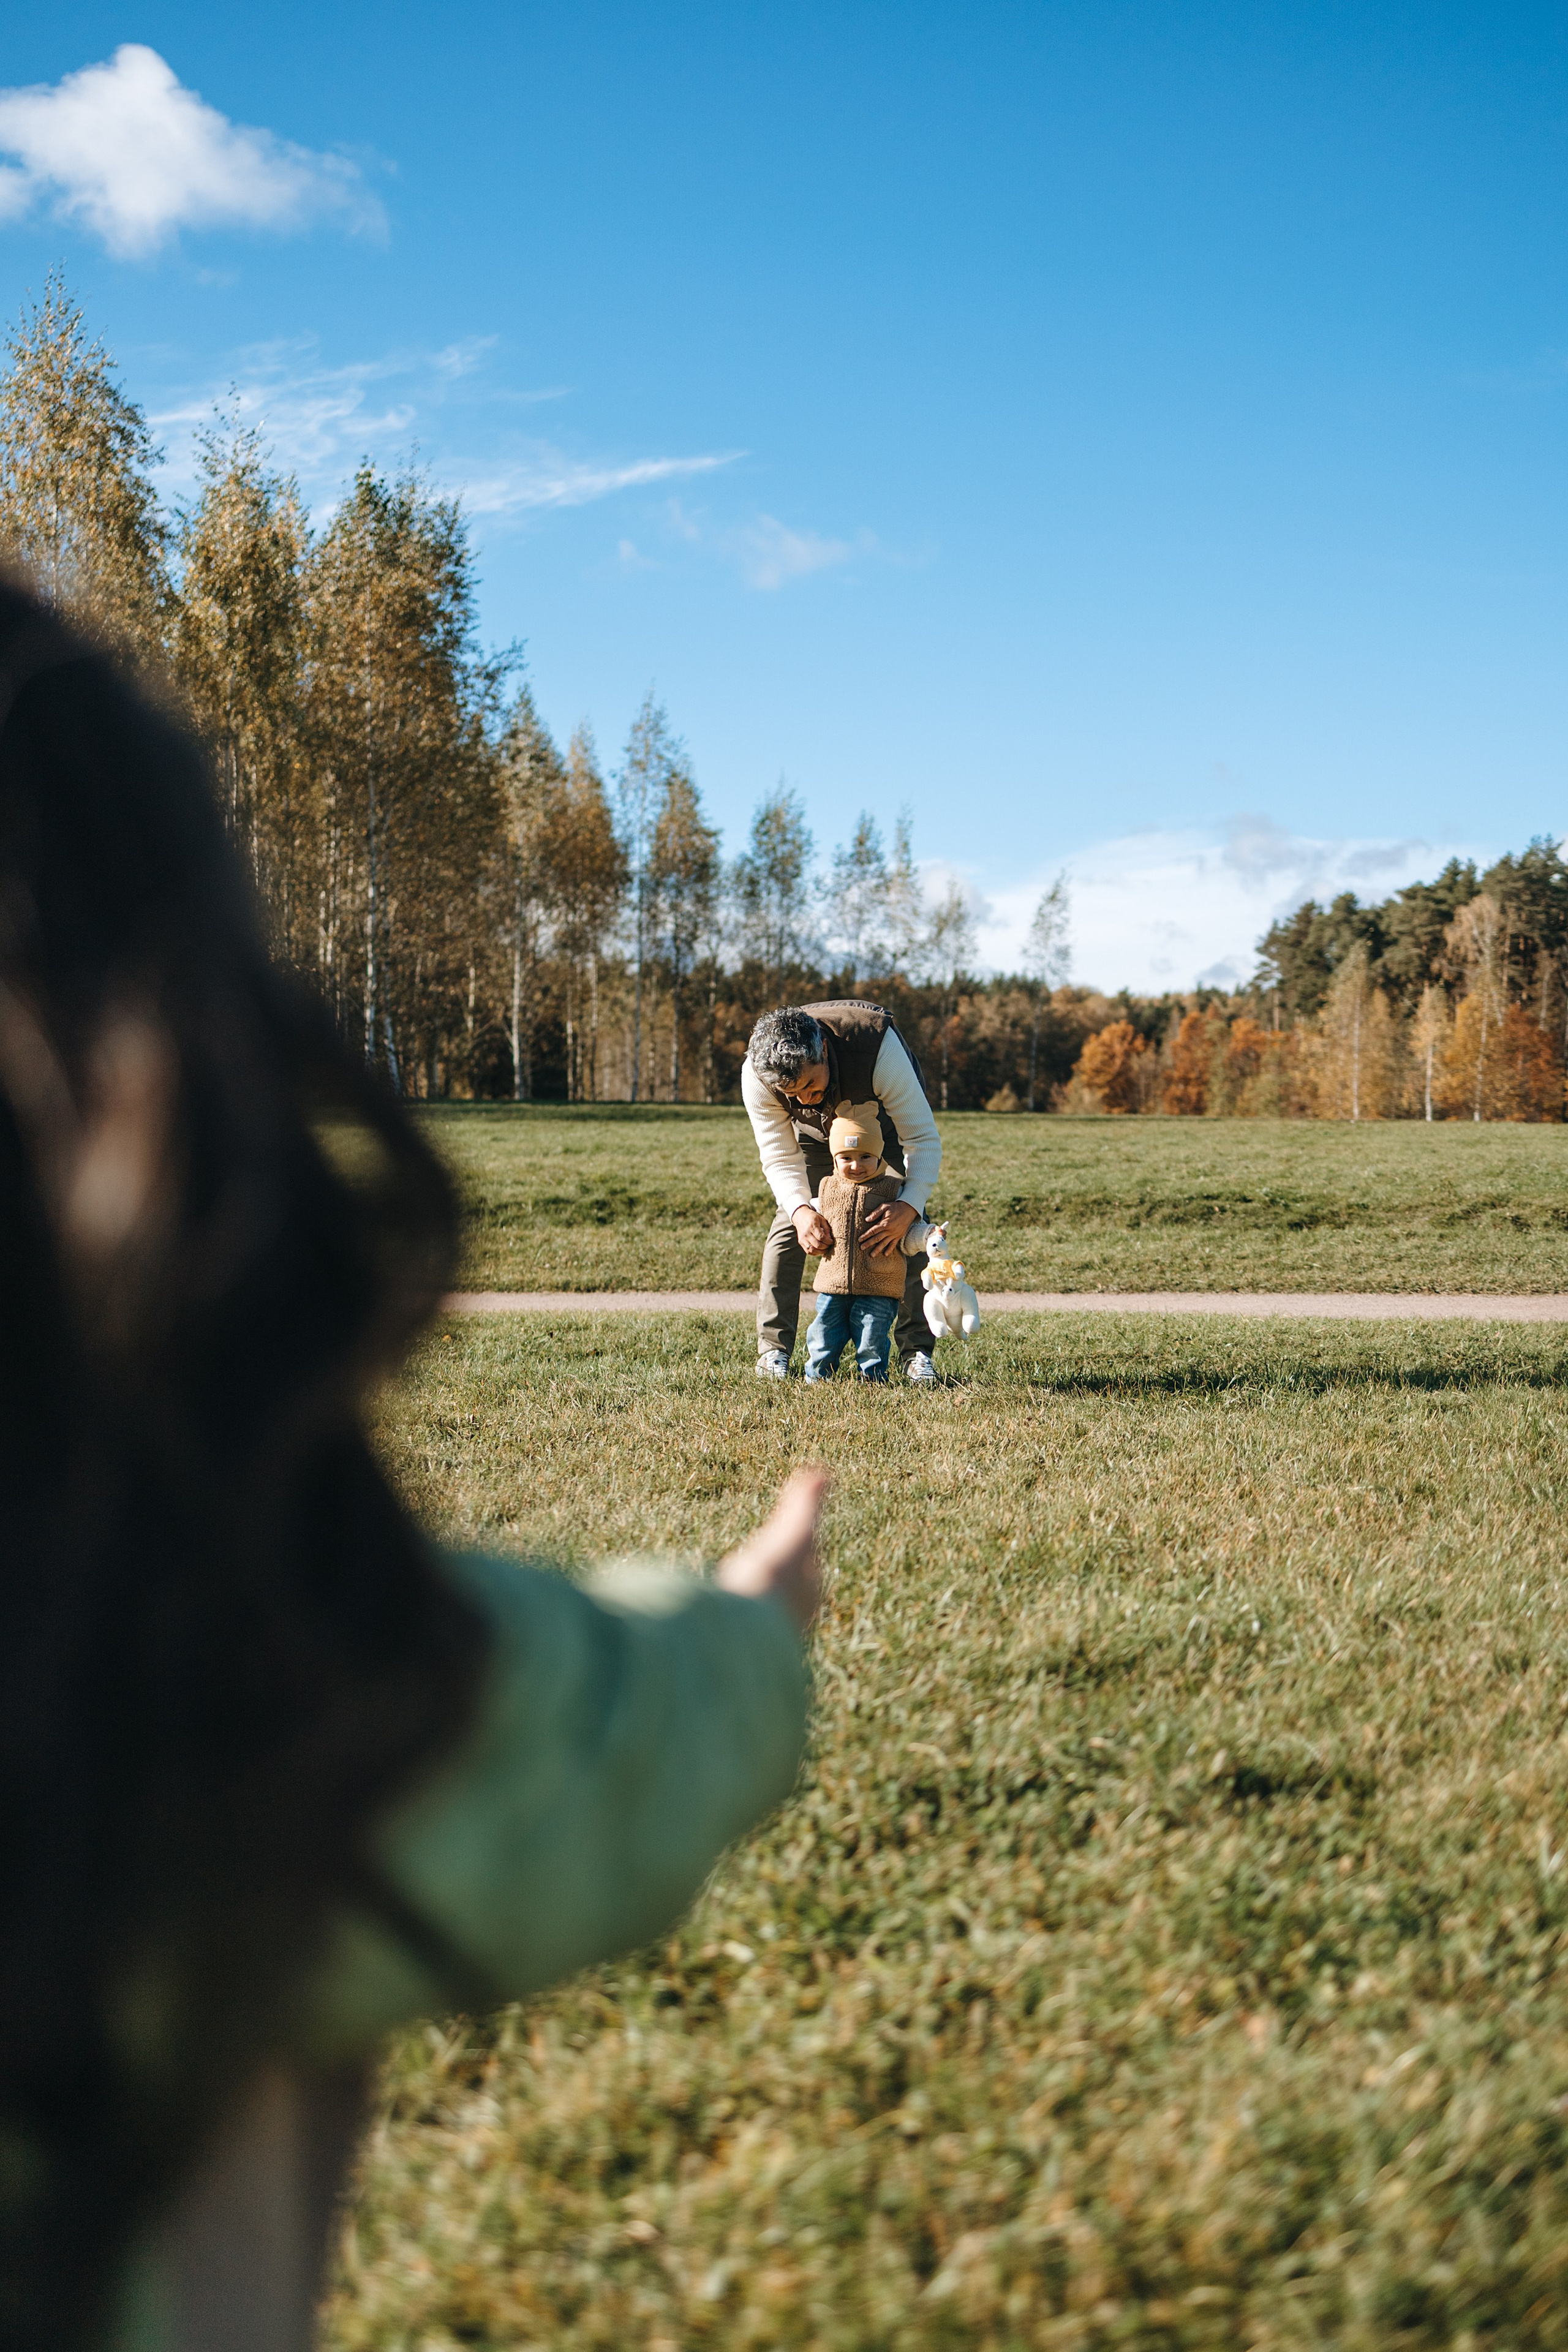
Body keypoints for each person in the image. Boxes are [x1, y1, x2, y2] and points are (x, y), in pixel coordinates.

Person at [0, 579, 824, 2352]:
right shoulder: (246, 1650)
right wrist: (755, 1627)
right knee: (267, 1937)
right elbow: (601, 1736)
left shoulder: (862, 1070)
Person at [742, 1001, 942, 1384]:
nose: (803, 1100)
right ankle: (773, 1352)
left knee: (911, 1229)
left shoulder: (879, 1048)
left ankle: (916, 1354)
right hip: (817, 1140)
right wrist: (802, 1211)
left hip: (880, 1131)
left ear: (823, 1051)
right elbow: (779, 1156)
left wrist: (907, 1205)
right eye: (792, 1094)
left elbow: (922, 1139)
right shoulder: (756, 1074)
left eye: (809, 1085)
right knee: (787, 1228)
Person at [802, 1103, 932, 1384]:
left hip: (879, 1287)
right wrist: (809, 1225)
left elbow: (905, 1235)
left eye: (865, 1156)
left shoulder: (892, 1190)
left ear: (879, 1156)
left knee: (872, 1339)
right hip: (832, 1285)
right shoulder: (826, 1188)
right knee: (823, 1335)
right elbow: (814, 1219)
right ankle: (817, 1379)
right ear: (834, 1159)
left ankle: (872, 1380)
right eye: (846, 1157)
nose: (856, 1166)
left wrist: (926, 1236)